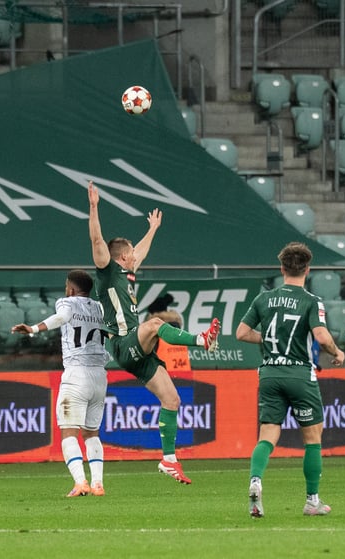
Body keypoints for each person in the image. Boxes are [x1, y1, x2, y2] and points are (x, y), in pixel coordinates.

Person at [88, 180, 220, 484]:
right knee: (157, 323)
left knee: (172, 400)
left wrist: (153, 229)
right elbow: (98, 243)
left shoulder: (126, 272)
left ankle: (169, 460)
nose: (137, 254)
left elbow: (141, 252)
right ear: (122, 256)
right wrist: (94, 208)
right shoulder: (108, 270)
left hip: (139, 352)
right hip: (123, 344)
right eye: (132, 251)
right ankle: (201, 339)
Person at [235, 242, 345, 518]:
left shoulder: (263, 299)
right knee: (312, 438)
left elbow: (241, 333)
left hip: (270, 372)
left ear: (282, 268)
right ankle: (312, 501)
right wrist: (336, 351)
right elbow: (320, 336)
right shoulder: (311, 301)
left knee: (268, 435)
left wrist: (271, 341)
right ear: (307, 269)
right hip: (299, 374)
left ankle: (256, 481)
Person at [11, 269, 110, 497]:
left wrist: (34, 328)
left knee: (69, 433)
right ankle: (97, 484)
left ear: (71, 289)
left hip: (77, 375)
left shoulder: (67, 302)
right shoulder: (99, 308)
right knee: (91, 433)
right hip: (99, 375)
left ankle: (80, 483)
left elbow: (63, 318)